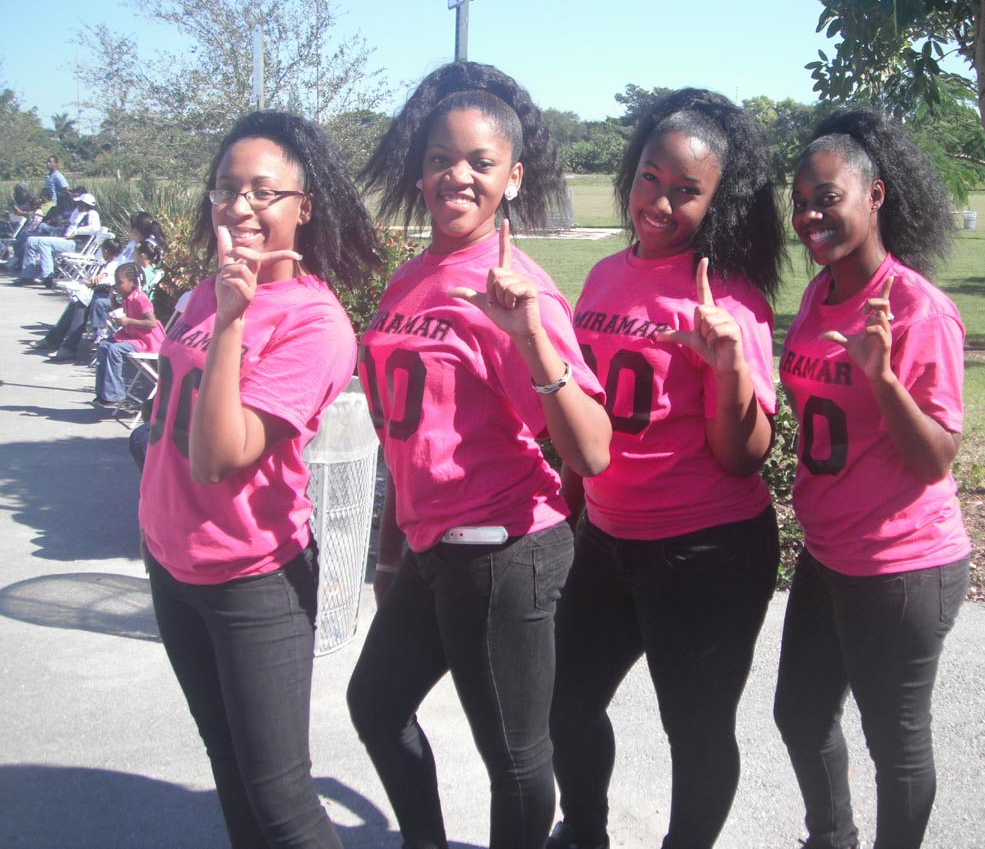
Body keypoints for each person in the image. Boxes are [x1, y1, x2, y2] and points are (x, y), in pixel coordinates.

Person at [346, 60, 611, 849]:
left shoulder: (518, 291)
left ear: (512, 178)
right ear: (419, 170)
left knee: (515, 759)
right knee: (376, 704)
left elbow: (592, 450)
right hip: (434, 550)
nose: (456, 175)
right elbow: (406, 437)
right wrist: (390, 551)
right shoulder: (410, 277)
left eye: (479, 161)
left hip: (503, 552)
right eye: (440, 158)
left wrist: (528, 338)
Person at [545, 88, 786, 849]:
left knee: (696, 729)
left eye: (687, 190)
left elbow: (743, 456)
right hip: (607, 539)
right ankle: (584, 833)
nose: (660, 202)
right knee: (563, 703)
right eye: (651, 177)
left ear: (717, 202)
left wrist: (728, 367)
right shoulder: (603, 277)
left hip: (706, 552)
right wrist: (571, 508)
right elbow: (589, 412)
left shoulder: (729, 301)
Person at [138, 110, 381, 847]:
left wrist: (234, 321)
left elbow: (218, 456)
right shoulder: (207, 290)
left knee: (282, 802)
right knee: (228, 762)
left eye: (263, 191)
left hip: (252, 582)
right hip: (171, 563)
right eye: (226, 188)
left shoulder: (313, 323)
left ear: (304, 207)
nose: (239, 206)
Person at [773, 107, 972, 849]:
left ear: (874, 195)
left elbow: (935, 458)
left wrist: (883, 377)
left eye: (827, 197)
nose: (810, 215)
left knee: (897, 743)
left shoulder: (920, 310)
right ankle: (832, 839)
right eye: (800, 201)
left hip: (901, 565)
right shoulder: (819, 296)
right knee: (800, 715)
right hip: (830, 554)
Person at [32, 237, 123, 360]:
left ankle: (66, 345)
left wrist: (94, 281)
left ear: (106, 251)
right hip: (103, 292)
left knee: (81, 305)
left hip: (110, 296)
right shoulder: (113, 262)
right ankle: (57, 341)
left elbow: (108, 276)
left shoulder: (116, 263)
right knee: (77, 302)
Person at [92, 261, 165, 408]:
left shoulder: (140, 298)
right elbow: (119, 310)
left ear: (133, 283)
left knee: (115, 350)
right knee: (104, 345)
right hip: (132, 335)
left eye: (120, 283)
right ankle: (103, 392)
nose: (117, 286)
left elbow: (152, 323)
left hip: (146, 340)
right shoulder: (127, 297)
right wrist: (112, 299)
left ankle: (115, 394)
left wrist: (129, 321)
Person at [16, 191, 102, 287]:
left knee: (44, 243)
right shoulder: (78, 212)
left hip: (75, 243)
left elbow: (96, 228)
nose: (77, 204)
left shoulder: (92, 214)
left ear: (85, 204)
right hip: (64, 239)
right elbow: (72, 222)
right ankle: (27, 276)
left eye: (79, 203)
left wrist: (77, 231)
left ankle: (48, 277)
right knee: (31, 240)